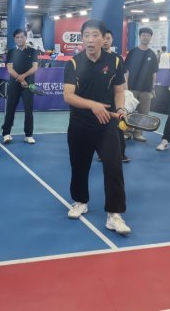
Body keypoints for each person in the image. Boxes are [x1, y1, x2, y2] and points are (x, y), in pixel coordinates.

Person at [63, 19, 131, 235]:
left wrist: (121, 109)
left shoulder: (115, 61)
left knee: (114, 167)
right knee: (79, 166)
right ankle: (80, 201)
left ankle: (114, 214)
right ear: (82, 39)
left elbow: (119, 91)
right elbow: (68, 96)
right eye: (86, 36)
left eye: (95, 35)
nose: (90, 40)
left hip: (107, 125)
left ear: (104, 39)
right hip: (80, 124)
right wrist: (93, 105)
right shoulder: (73, 63)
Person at [1, 29, 38, 144]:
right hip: (14, 85)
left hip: (28, 84)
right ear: (14, 39)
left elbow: (34, 68)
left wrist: (24, 77)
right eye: (17, 37)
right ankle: (6, 134)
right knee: (10, 109)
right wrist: (20, 78)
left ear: (26, 37)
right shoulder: (11, 52)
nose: (19, 39)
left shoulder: (33, 51)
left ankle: (28, 135)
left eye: (22, 37)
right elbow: (10, 69)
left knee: (28, 110)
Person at [122, 27, 158, 142]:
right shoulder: (132, 52)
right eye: (143, 35)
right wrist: (126, 87)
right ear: (140, 36)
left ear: (150, 38)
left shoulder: (152, 54)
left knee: (143, 113)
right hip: (132, 87)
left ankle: (138, 133)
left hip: (146, 89)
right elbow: (126, 71)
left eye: (148, 35)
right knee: (129, 111)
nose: (145, 37)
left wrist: (153, 88)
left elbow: (154, 73)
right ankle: (127, 132)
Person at [101, 29, 130, 163]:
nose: (105, 41)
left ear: (112, 40)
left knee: (118, 128)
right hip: (101, 99)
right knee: (102, 127)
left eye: (108, 38)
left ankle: (121, 154)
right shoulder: (96, 57)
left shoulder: (117, 59)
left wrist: (125, 92)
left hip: (116, 99)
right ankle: (101, 153)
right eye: (104, 38)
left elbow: (123, 76)